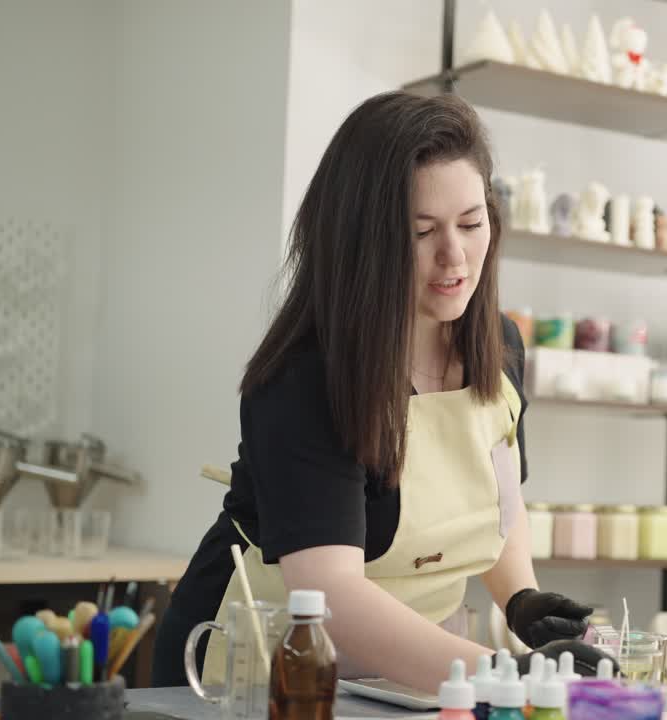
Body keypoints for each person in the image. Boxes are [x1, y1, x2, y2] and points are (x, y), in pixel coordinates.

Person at [152, 92, 608, 692]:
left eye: (472, 224)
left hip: (406, 675)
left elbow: (494, 499)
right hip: (255, 670)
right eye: (422, 232)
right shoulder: (306, 377)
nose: (455, 255)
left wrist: (519, 598)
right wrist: (501, 673)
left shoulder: (498, 349)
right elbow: (331, 598)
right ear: (365, 239)